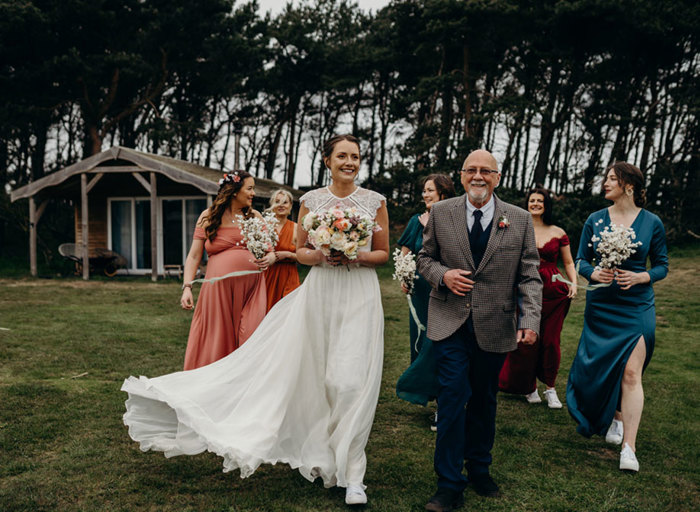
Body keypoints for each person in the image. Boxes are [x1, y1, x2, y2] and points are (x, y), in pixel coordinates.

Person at [122, 134, 389, 507]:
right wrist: (325, 252)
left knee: (348, 382)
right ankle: (325, 457)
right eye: (342, 155)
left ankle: (353, 474)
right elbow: (302, 252)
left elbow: (382, 254)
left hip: (359, 293)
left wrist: (353, 254)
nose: (350, 161)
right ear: (327, 160)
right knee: (317, 379)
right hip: (323, 290)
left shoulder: (375, 201)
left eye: (356, 156)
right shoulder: (311, 201)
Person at [417, 149, 542, 512]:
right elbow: (424, 258)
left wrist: (529, 320)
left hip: (495, 324)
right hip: (450, 322)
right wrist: (443, 275)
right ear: (461, 175)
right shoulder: (441, 213)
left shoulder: (518, 219)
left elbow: (529, 274)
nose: (478, 176)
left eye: (486, 171)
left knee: (485, 400)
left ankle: (480, 469)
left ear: (497, 177)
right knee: (453, 398)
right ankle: (448, 482)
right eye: (471, 170)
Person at [567, 162, 668, 473]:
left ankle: (629, 448)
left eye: (612, 179)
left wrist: (642, 278)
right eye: (606, 178)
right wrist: (592, 272)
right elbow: (581, 258)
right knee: (601, 368)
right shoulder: (594, 220)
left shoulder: (652, 223)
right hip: (602, 306)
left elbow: (662, 265)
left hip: (637, 307)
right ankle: (615, 415)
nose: (605, 183)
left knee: (631, 373)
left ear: (629, 185)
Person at [179, 170, 268, 370]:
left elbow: (269, 250)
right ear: (235, 191)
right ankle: (214, 380)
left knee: (251, 332)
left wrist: (270, 257)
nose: (253, 193)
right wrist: (187, 287)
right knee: (217, 336)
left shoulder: (255, 217)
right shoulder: (208, 216)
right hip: (218, 290)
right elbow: (194, 256)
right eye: (250, 188)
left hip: (251, 290)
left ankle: (246, 381)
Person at [498, 188, 577, 408]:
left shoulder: (558, 231)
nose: (535, 204)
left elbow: (568, 262)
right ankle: (528, 386)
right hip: (523, 289)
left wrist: (574, 283)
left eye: (539, 201)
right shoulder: (516, 227)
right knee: (525, 340)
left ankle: (550, 388)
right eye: (531, 200)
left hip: (553, 292)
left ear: (546, 205)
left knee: (551, 342)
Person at [395, 174, 455, 429]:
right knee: (422, 344)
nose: (425, 195)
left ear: (443, 193)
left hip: (444, 291)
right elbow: (405, 253)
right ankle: (430, 392)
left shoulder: (454, 219)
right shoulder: (414, 221)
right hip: (419, 292)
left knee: (439, 346)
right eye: (424, 190)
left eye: (430, 190)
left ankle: (445, 403)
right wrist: (403, 275)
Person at [258, 188, 300, 311]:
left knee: (288, 313)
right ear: (272, 205)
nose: (281, 205)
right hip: (268, 275)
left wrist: (288, 254)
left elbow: (304, 257)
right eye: (277, 202)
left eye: (285, 202)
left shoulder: (296, 228)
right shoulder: (263, 227)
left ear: (291, 205)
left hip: (289, 276)